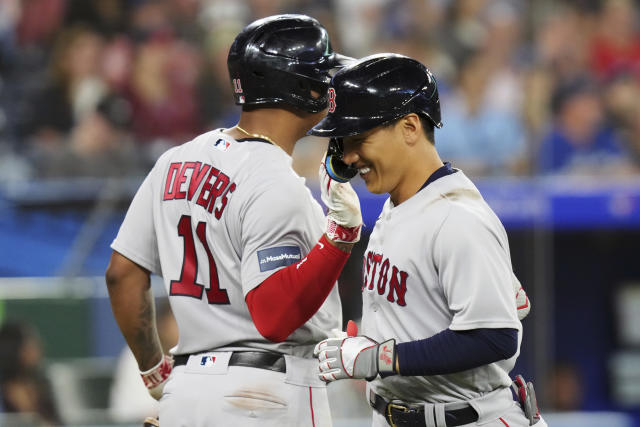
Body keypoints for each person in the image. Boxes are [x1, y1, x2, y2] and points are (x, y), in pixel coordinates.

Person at [104, 14, 360, 427]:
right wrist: (340, 238)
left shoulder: (174, 160)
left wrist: (154, 369)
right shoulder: (276, 181)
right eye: (320, 75)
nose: (328, 85)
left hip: (186, 390)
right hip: (268, 392)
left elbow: (121, 274)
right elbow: (276, 319)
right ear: (296, 86)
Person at [310, 54, 545, 427]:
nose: (350, 157)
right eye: (343, 143)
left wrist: (377, 358)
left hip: (467, 418)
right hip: (398, 413)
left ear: (409, 127)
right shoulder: (400, 204)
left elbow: (496, 337)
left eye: (360, 138)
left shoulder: (456, 216)